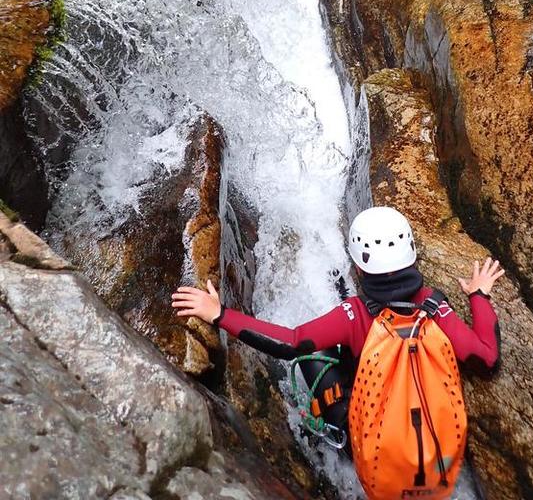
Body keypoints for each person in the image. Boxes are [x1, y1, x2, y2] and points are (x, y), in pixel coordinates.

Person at [173, 207, 503, 497]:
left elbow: (291, 342)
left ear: (358, 269)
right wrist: (479, 296)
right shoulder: (435, 306)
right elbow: (487, 359)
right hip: (438, 469)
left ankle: (340, 444)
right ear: (412, 256)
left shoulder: (355, 314)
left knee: (314, 353)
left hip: (375, 464)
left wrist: (220, 315)